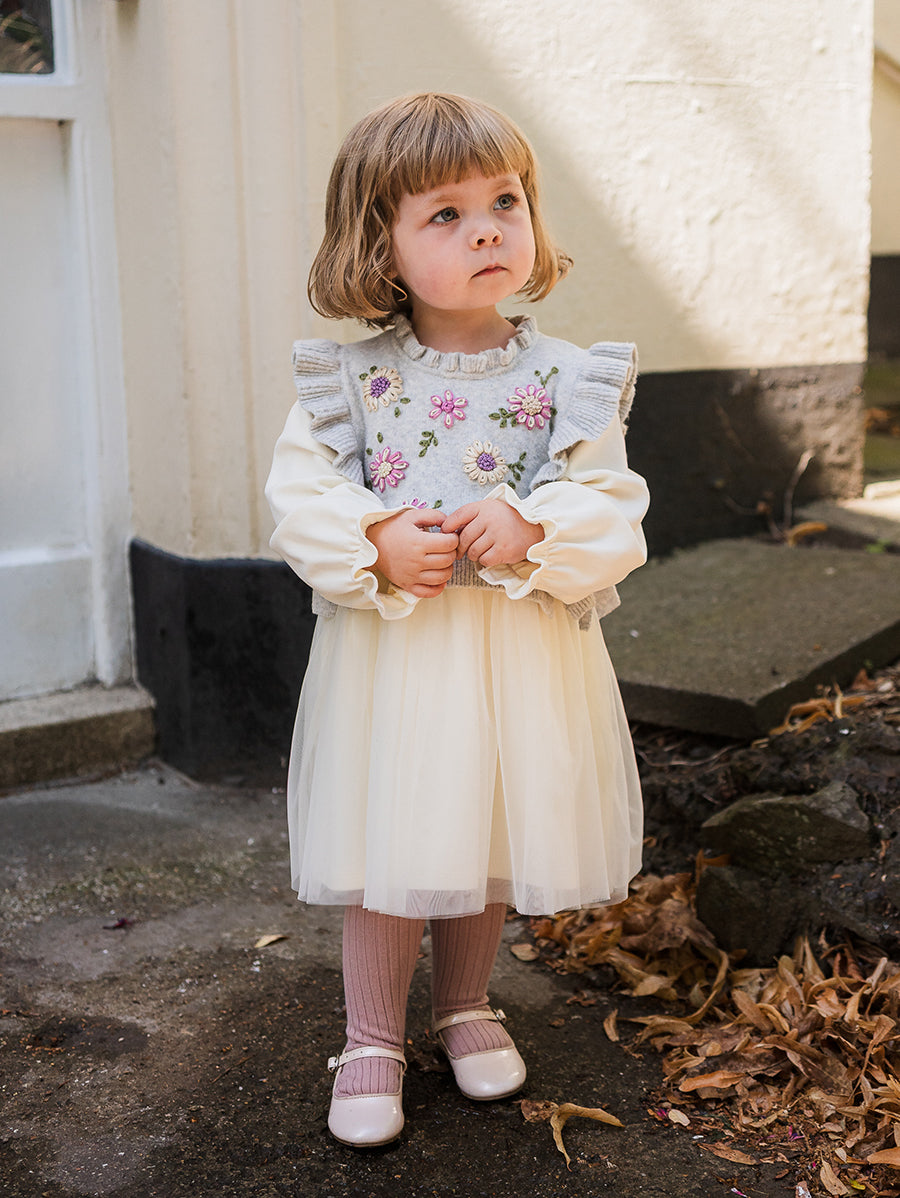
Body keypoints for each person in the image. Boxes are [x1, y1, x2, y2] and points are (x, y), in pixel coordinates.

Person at [265, 92, 650, 1148]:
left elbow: (613, 504)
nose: (487, 230)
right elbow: (301, 498)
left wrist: (536, 524)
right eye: (446, 214)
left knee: (482, 830)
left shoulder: (570, 380)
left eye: (504, 202)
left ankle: (466, 1004)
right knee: (394, 837)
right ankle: (371, 1036)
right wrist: (374, 537)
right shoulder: (349, 383)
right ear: (377, 243)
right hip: (397, 658)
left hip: (517, 656)